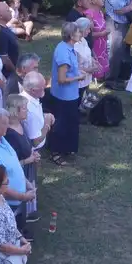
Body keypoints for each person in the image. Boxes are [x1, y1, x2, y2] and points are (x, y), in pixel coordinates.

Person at [48, 23, 84, 165]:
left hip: (71, 94)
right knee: (61, 124)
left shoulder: (69, 48)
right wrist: (78, 78)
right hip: (64, 95)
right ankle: (55, 152)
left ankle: (67, 148)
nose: (80, 33)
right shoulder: (63, 52)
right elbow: (62, 79)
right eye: (78, 32)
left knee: (71, 122)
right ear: (71, 35)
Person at [83, 0, 111, 81]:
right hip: (95, 45)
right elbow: (87, 34)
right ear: (93, 0)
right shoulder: (89, 14)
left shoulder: (101, 12)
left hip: (102, 44)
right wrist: (102, 33)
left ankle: (101, 76)